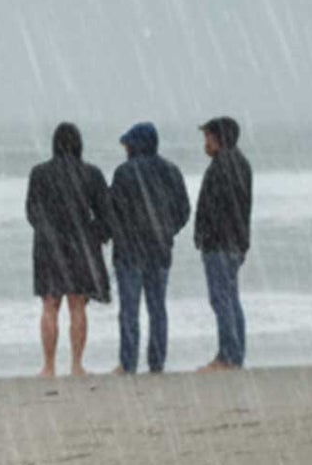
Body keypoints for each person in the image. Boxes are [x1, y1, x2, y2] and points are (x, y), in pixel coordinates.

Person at [25, 122, 111, 379]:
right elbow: (105, 214)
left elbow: (32, 211)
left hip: (48, 247)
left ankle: (48, 366)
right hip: (81, 246)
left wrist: (47, 232)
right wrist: (93, 235)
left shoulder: (39, 173)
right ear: (78, 145)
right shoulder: (91, 174)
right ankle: (76, 366)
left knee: (50, 305)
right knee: (77, 306)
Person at [106, 122, 189, 374]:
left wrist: (116, 234)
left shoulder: (124, 173)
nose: (125, 150)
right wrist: (167, 231)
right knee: (157, 309)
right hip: (160, 251)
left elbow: (112, 212)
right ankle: (157, 362)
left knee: (129, 311)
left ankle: (128, 363)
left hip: (129, 253)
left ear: (134, 145)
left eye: (127, 145)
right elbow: (183, 210)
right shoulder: (171, 171)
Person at [194, 115, 253, 370]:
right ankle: (234, 354)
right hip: (235, 242)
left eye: (208, 137)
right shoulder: (240, 163)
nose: (205, 143)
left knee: (222, 300)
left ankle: (228, 355)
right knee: (230, 298)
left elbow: (215, 209)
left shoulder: (222, 166)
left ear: (218, 138)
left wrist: (205, 236)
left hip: (220, 243)